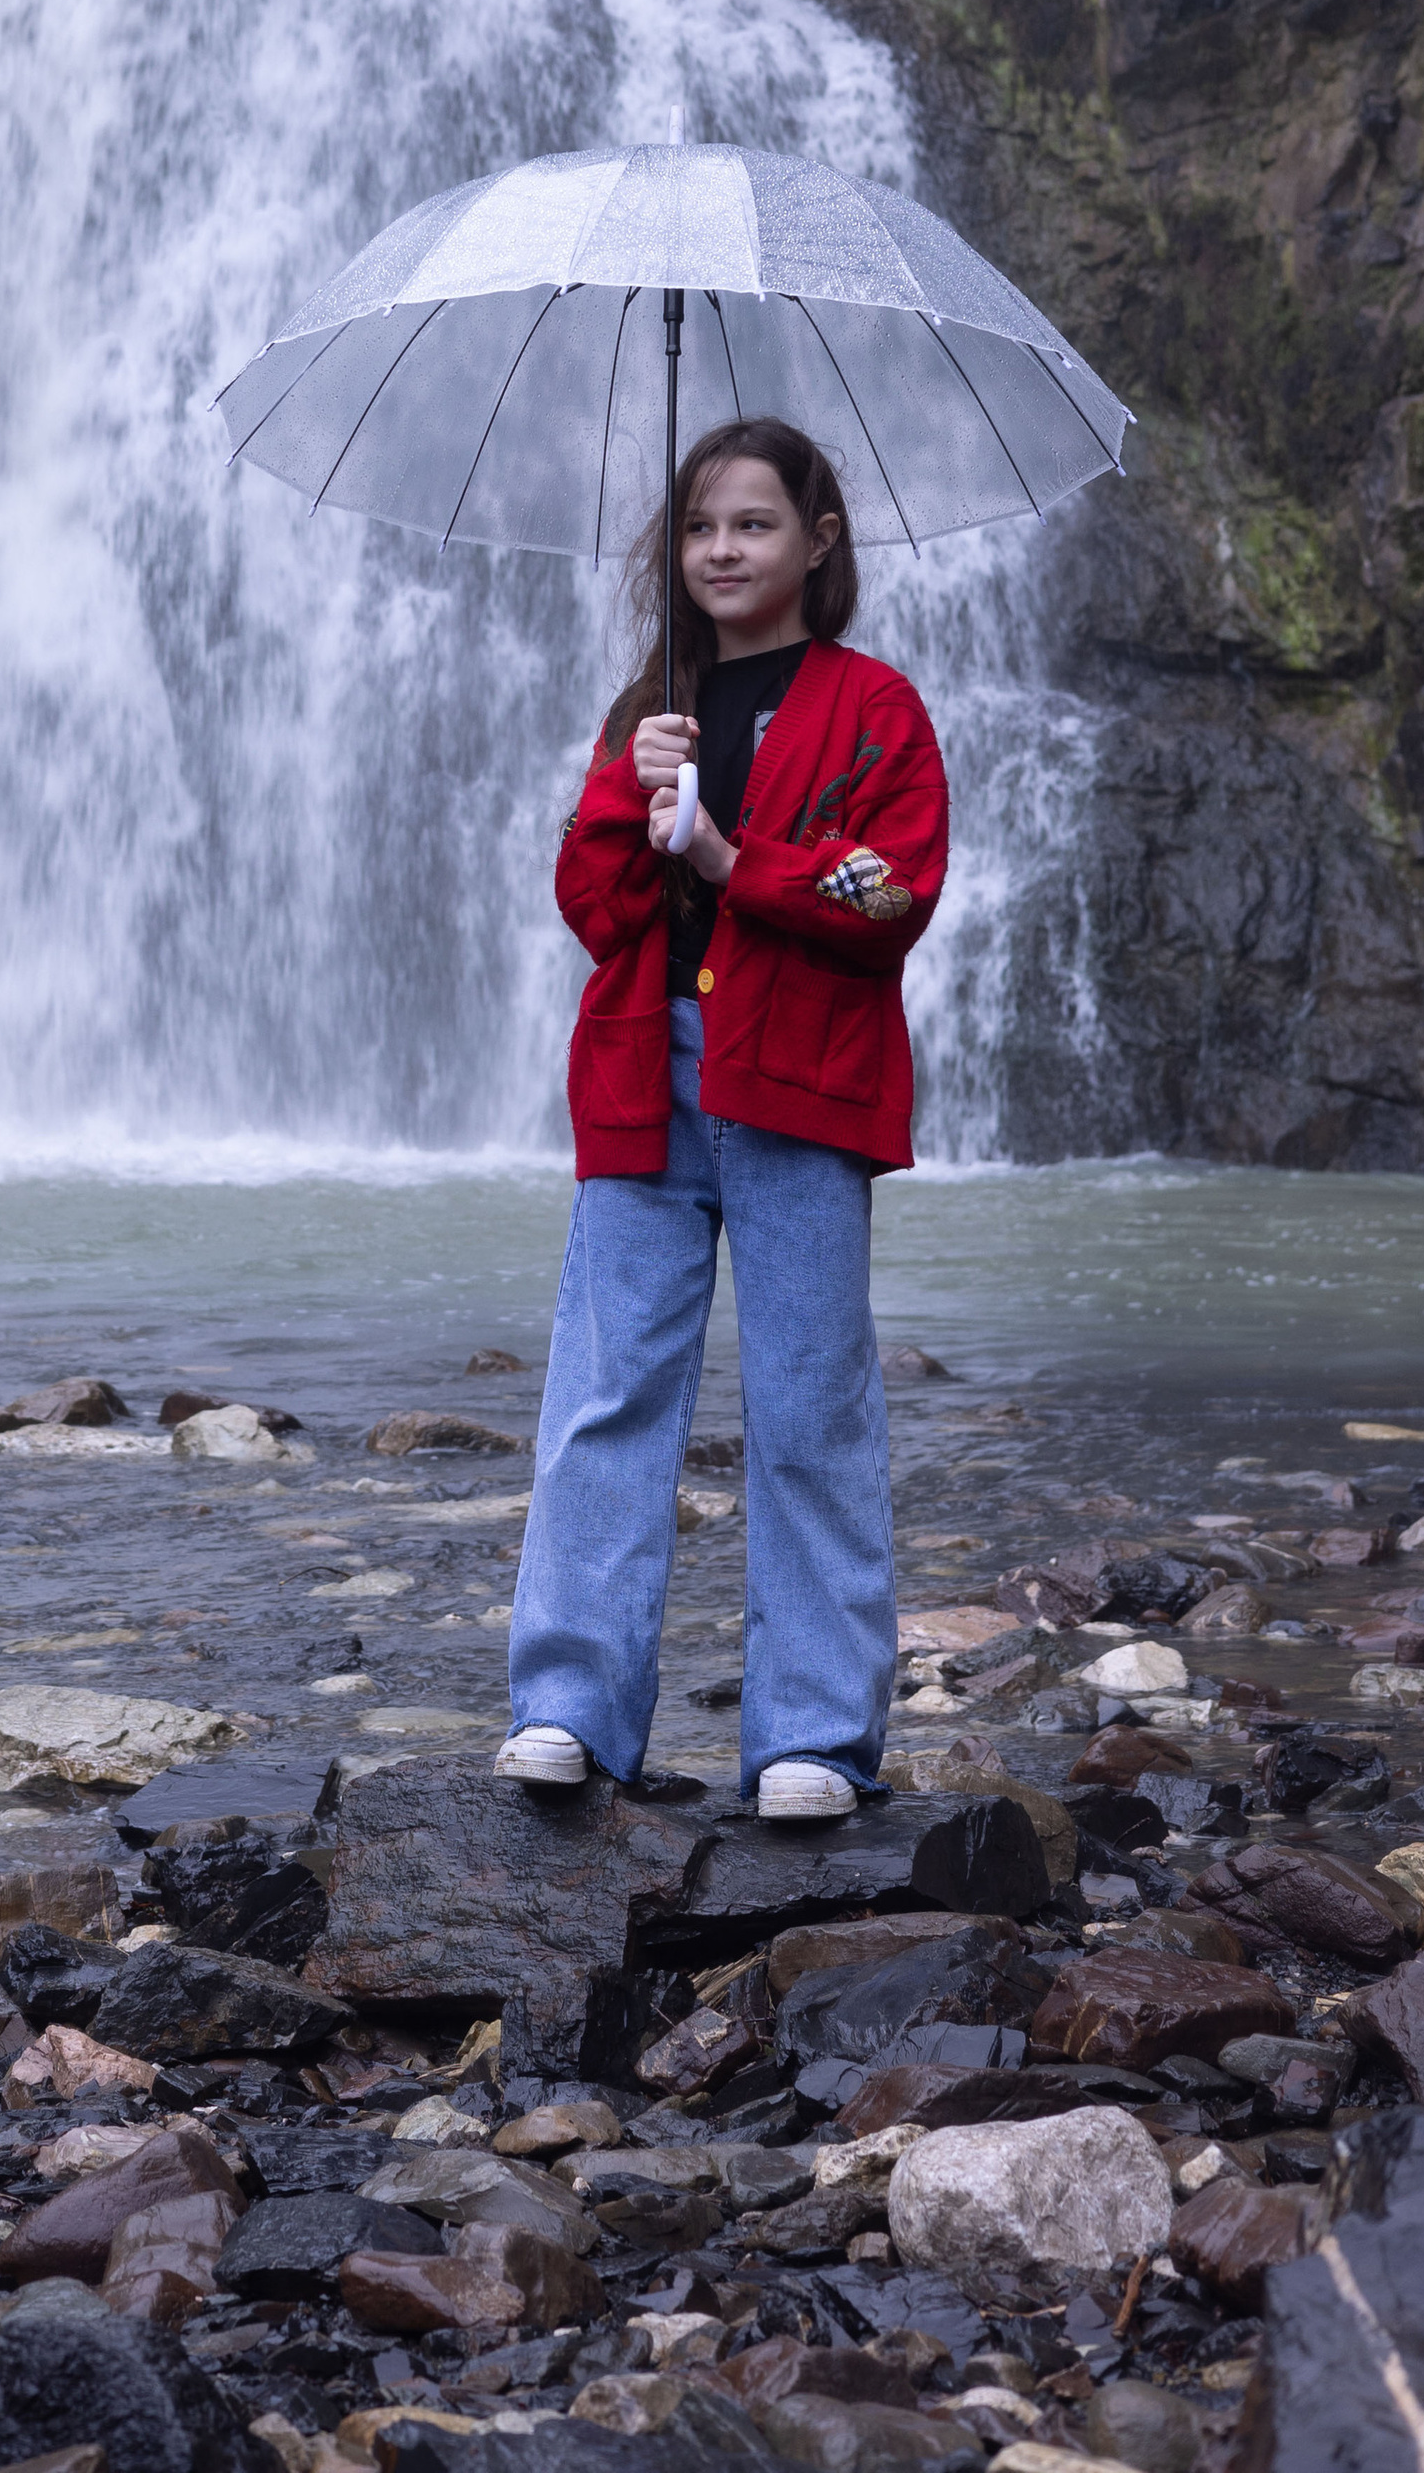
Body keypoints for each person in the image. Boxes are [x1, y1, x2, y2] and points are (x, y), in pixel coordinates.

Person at [495, 414, 948, 1818]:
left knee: (811, 1404)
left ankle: (812, 1734)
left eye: (752, 523)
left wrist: (728, 854)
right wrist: (636, 817)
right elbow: (593, 911)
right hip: (646, 1079)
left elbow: (892, 897)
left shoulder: (877, 709)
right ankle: (571, 1708)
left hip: (800, 1087)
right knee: (606, 1394)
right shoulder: (652, 713)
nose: (721, 549)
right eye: (699, 527)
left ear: (820, 542)